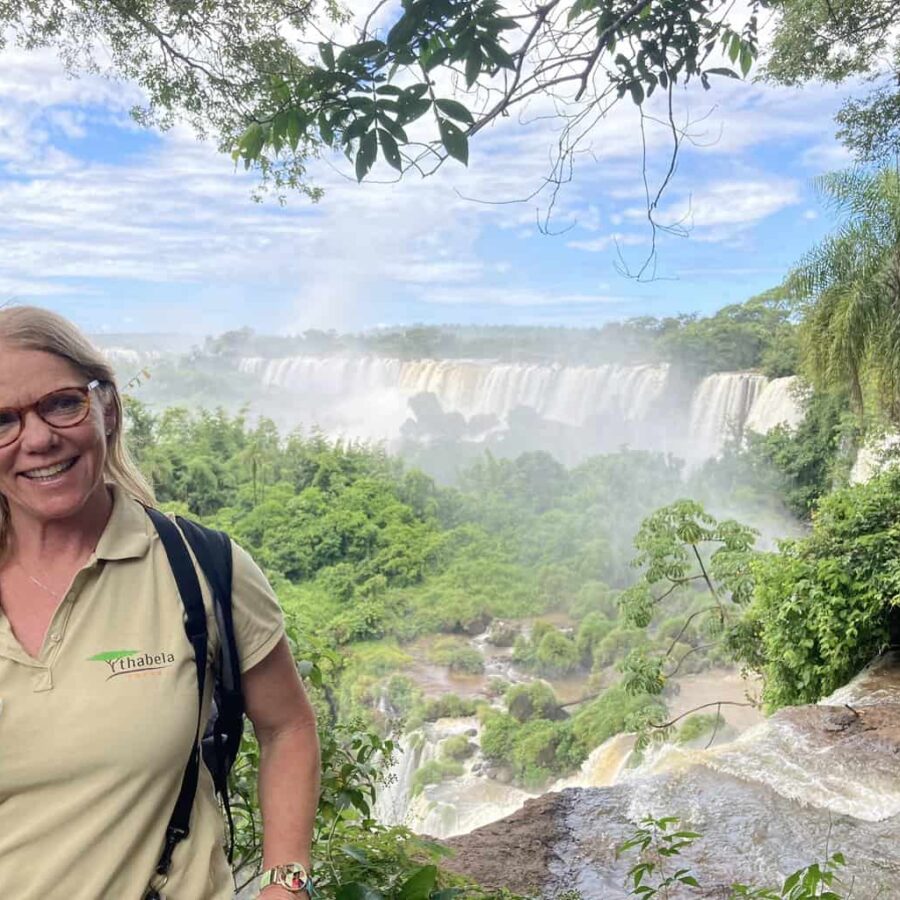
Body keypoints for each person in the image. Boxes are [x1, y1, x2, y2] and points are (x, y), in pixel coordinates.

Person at [0, 305, 320, 899]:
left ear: (108, 409)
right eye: (2, 421)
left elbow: (289, 726)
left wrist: (285, 882)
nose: (39, 438)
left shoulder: (198, 567)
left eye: (62, 403)